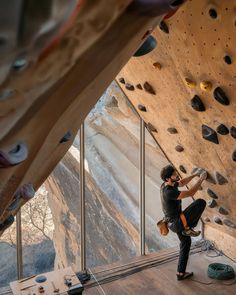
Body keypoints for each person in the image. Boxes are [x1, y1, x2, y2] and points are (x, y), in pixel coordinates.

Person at [160, 164, 207, 281]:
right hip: (177, 223)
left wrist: (195, 175)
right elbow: (191, 193)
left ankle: (180, 273)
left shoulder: (167, 184)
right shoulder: (168, 192)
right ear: (168, 179)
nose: (177, 175)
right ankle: (188, 227)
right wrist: (201, 179)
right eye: (174, 174)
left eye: (176, 173)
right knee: (200, 202)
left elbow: (182, 183)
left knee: (185, 243)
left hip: (175, 222)